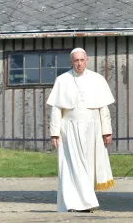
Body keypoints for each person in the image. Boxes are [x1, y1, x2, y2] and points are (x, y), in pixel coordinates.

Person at [47, 48, 115, 213]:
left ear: (87, 60)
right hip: (69, 129)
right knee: (72, 167)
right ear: (71, 62)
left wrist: (107, 131)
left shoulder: (97, 79)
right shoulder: (62, 80)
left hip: (92, 129)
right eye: (76, 60)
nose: (79, 63)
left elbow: (103, 109)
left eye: (82, 60)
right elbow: (56, 109)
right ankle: (80, 203)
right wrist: (54, 133)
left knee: (88, 167)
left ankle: (85, 202)